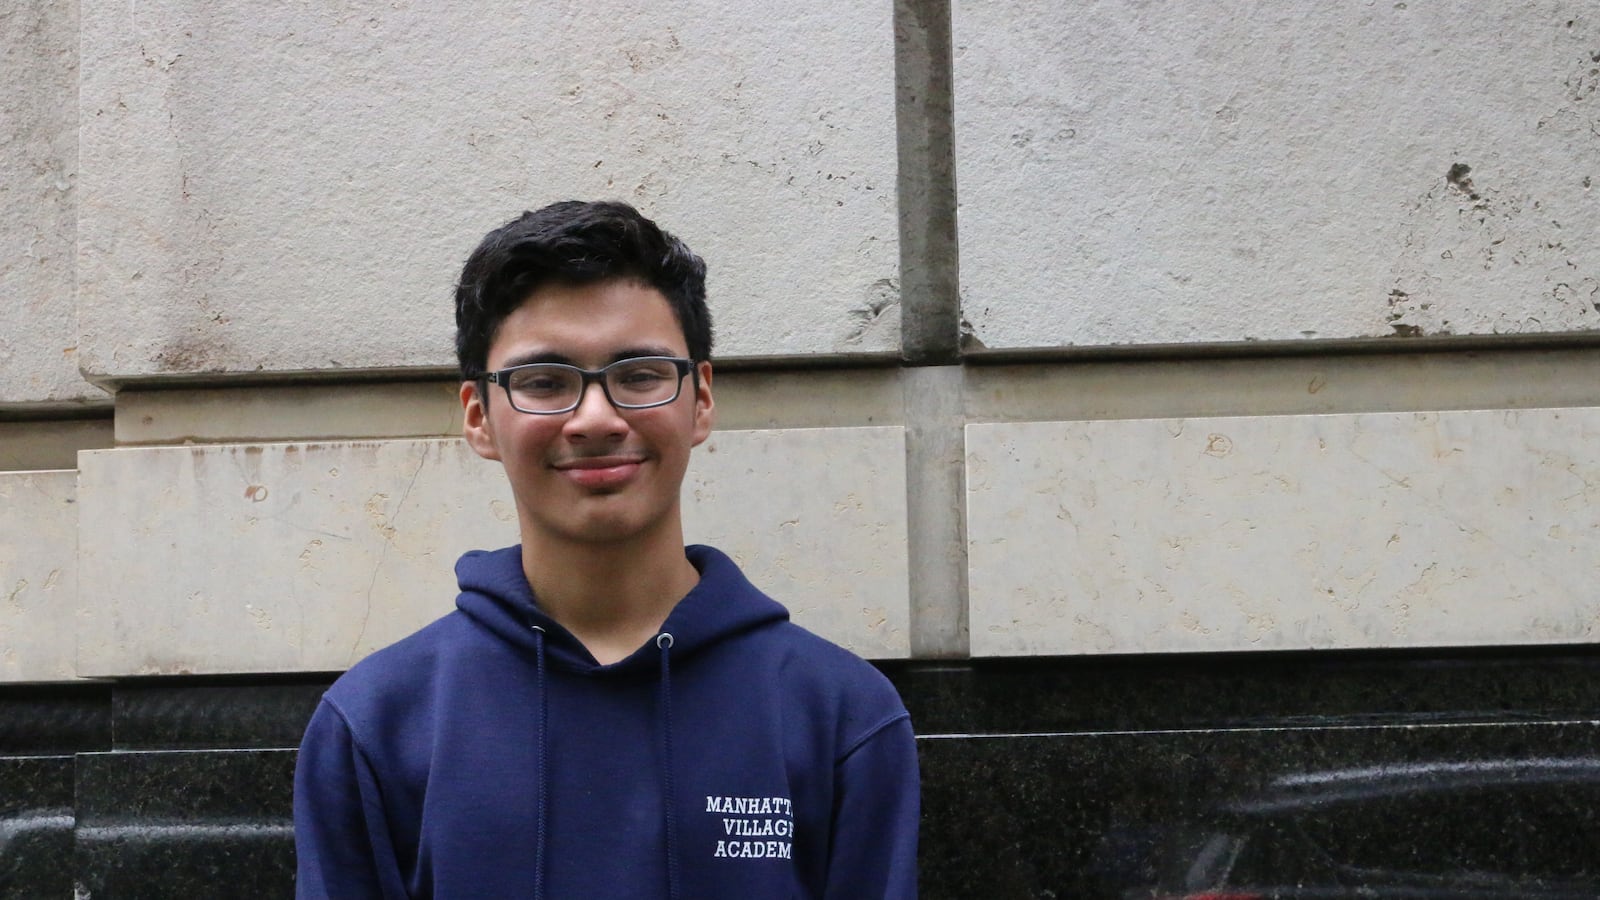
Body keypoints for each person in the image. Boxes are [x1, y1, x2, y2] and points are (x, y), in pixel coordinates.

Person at [293, 200, 920, 898]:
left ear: (701, 398)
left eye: (641, 374)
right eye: (544, 382)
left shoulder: (840, 716)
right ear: (479, 418)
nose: (596, 418)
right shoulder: (377, 723)